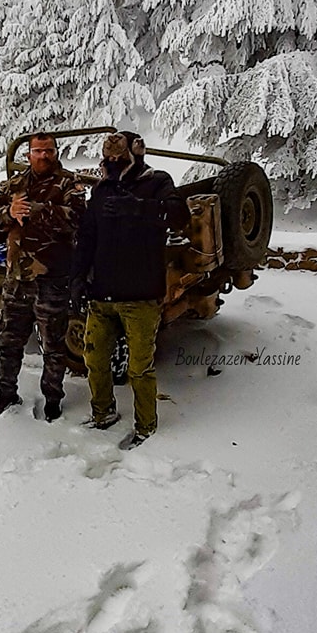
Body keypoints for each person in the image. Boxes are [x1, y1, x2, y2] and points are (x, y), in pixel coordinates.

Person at [72, 130, 189, 449]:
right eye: (108, 158)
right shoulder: (102, 189)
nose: (112, 163)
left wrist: (139, 208)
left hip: (141, 296)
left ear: (136, 156)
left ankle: (146, 426)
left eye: (119, 158)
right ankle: (102, 413)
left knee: (139, 368)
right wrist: (77, 278)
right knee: (95, 360)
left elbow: (179, 216)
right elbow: (88, 237)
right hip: (102, 294)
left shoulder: (157, 181)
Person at [0, 132, 86, 421]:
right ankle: (6, 393)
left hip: (52, 278)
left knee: (53, 345)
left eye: (48, 150)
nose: (43, 156)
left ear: (56, 152)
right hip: (17, 278)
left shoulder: (69, 183)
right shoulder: (15, 184)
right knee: (8, 341)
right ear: (28, 154)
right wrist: (9, 212)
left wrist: (38, 210)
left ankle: (53, 399)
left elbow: (78, 218)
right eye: (38, 151)